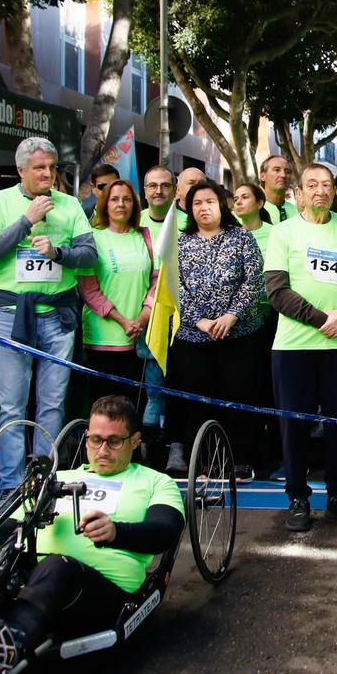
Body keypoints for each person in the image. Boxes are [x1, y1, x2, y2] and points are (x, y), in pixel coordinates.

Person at [0, 395, 184, 674]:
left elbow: (164, 532)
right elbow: (13, 524)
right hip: (31, 579)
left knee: (58, 567)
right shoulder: (56, 478)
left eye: (114, 441)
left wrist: (117, 532)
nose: (102, 450)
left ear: (135, 440)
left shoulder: (155, 482)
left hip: (98, 593)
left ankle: (8, 643)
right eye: (95, 440)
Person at [0, 137, 97, 496]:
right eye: (40, 168)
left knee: (53, 403)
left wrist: (59, 253)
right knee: (12, 405)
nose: (48, 174)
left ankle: (43, 481)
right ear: (21, 171)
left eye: (52, 167)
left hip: (57, 316)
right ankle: (13, 486)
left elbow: (89, 256)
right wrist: (26, 222)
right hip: (11, 315)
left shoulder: (70, 204)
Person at [264, 163, 337, 531]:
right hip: (295, 348)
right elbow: (277, 291)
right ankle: (297, 498)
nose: (321, 191)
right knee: (295, 425)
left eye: (326, 184)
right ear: (298, 192)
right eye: (312, 185)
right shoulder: (283, 233)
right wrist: (321, 319)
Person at [169, 179, 265, 480]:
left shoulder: (242, 238)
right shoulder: (180, 243)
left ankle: (241, 460)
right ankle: (206, 462)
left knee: (239, 395)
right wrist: (201, 321)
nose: (203, 208)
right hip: (193, 337)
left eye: (209, 201)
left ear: (222, 204)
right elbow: (174, 287)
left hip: (239, 334)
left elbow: (254, 280)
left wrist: (231, 316)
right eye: (197, 203)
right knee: (199, 400)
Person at [76, 179, 158, 418]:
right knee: (102, 406)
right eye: (114, 199)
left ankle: (133, 452)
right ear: (104, 204)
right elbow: (89, 291)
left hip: (139, 338)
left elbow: (156, 282)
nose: (121, 204)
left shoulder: (145, 237)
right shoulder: (92, 237)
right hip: (102, 338)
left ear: (134, 204)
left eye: (127, 199)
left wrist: (143, 317)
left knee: (133, 406)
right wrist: (123, 321)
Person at [229, 181, 280, 476]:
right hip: (240, 325)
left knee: (271, 388)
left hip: (271, 317)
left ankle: (276, 454)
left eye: (245, 197)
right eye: (235, 198)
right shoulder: (230, 234)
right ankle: (247, 454)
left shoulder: (275, 234)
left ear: (260, 203)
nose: (238, 202)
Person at [134, 166, 178, 468]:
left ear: (175, 189)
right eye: (152, 185)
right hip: (142, 323)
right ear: (145, 190)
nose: (159, 191)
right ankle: (149, 449)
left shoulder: (187, 222)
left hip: (183, 325)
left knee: (179, 391)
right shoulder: (132, 223)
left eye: (165, 185)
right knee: (152, 391)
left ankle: (177, 447)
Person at [259, 156, 294, 223]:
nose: (283, 175)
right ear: (263, 176)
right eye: (277, 170)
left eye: (287, 172)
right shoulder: (252, 212)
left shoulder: (299, 212)